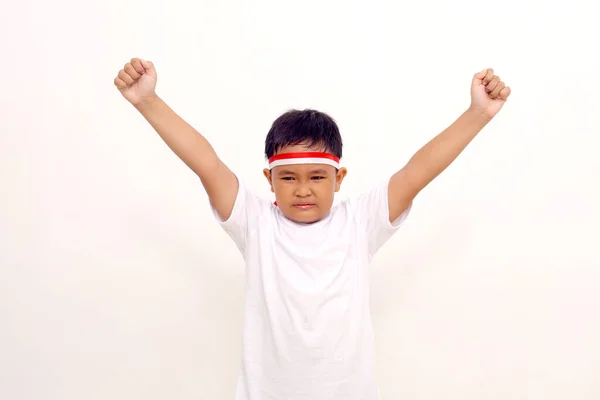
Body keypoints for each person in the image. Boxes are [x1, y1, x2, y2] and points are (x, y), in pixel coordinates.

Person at [114, 58, 511, 400]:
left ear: (338, 178)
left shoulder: (360, 222)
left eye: (317, 177)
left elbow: (418, 171)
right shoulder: (254, 223)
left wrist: (477, 114)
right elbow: (206, 162)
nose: (303, 189)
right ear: (269, 180)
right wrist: (148, 101)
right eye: (288, 178)